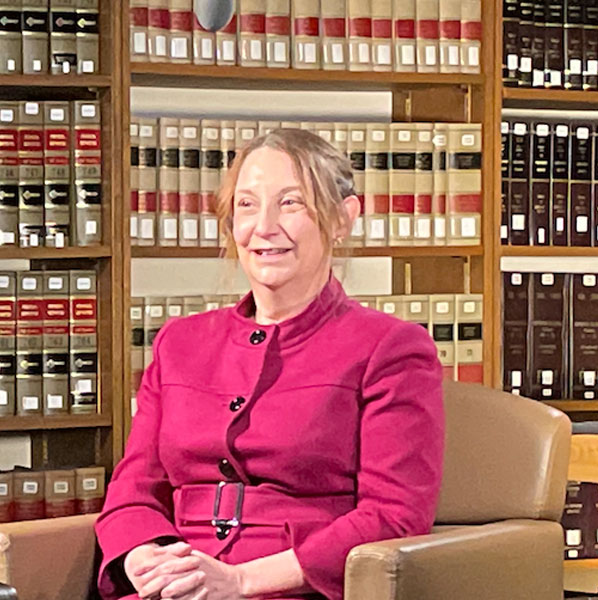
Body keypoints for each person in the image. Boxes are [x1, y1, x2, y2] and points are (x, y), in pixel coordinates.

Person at [94, 129, 445, 600]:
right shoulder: (179, 342)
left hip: (299, 590)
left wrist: (241, 581)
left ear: (344, 218)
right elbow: (134, 489)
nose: (264, 226)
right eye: (246, 205)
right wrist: (143, 556)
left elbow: (394, 515)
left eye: (291, 203)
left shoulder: (393, 348)